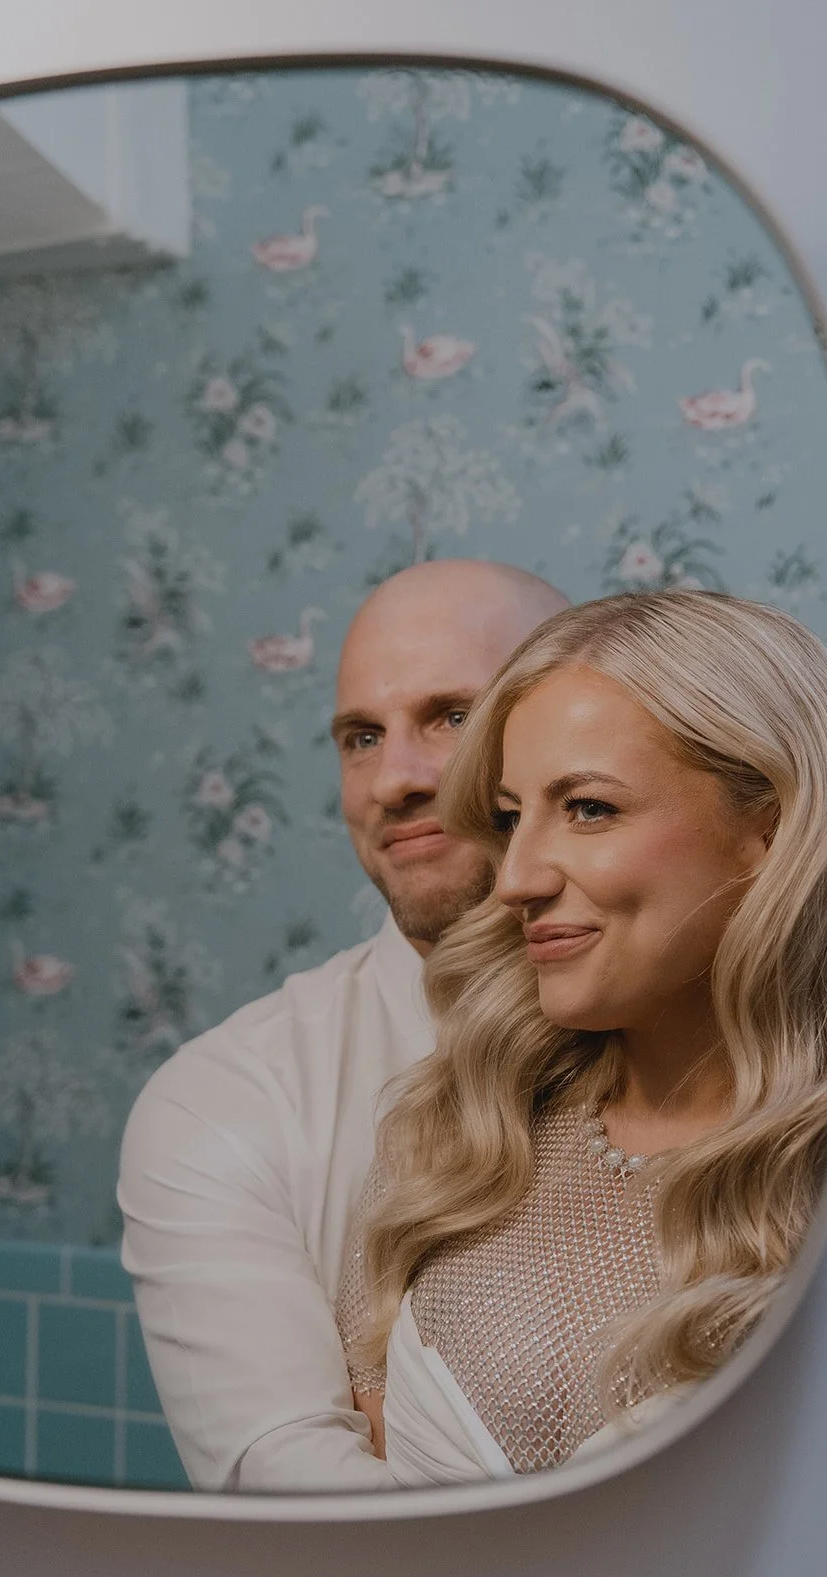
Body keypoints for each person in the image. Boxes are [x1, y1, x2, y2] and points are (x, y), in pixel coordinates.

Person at [334, 590, 827, 1485]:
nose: (514, 878)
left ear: (769, 829)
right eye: (510, 818)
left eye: (587, 808)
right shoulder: (455, 1144)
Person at [117, 559, 569, 1491]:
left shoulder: (724, 1045)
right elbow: (304, 1511)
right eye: (360, 737)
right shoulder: (227, 1101)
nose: (393, 781)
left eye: (450, 716)